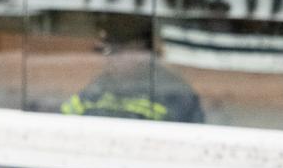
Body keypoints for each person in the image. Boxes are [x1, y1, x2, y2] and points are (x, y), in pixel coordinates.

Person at [58, 27, 205, 123]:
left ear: (141, 51)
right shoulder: (101, 84)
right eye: (108, 52)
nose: (111, 59)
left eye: (118, 51)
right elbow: (65, 119)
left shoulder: (174, 91)